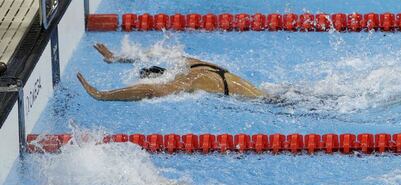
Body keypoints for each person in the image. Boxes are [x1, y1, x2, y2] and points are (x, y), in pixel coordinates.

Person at [76, 44, 265, 101]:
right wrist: (117, 57)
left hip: (264, 105)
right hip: (269, 94)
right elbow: (157, 52)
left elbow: (150, 91)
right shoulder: (191, 63)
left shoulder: (188, 79)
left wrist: (102, 95)